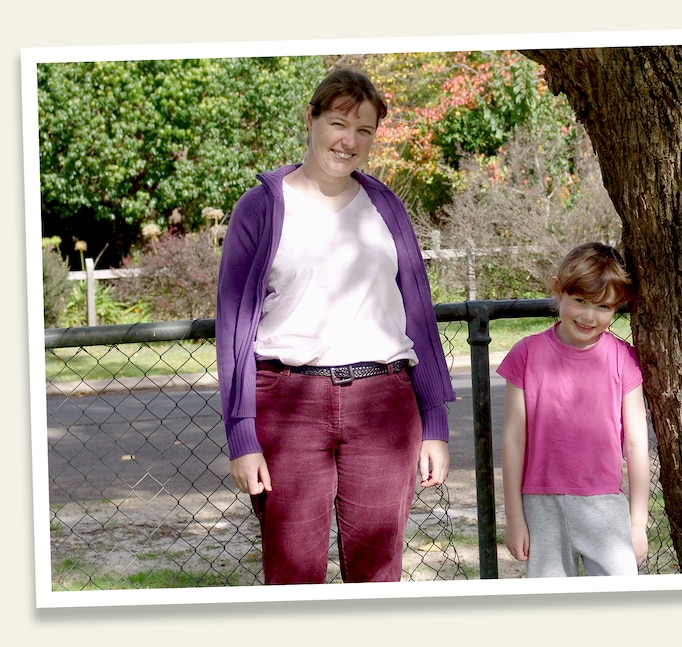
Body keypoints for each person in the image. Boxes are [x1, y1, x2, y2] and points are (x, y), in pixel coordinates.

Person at [215, 68, 455, 585]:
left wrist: (434, 424)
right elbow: (234, 325)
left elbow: (417, 311)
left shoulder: (385, 207)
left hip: (384, 406)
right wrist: (241, 435)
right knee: (293, 575)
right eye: (339, 123)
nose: (349, 141)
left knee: (377, 575)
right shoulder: (262, 208)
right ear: (312, 118)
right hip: (288, 406)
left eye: (364, 130)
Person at [497, 242, 650, 577]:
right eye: (580, 300)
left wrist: (638, 524)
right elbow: (513, 439)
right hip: (541, 505)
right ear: (558, 290)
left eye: (603, 306)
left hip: (604, 505)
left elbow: (637, 444)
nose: (588, 316)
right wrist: (514, 517)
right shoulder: (526, 354)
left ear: (618, 305)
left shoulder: (623, 358)